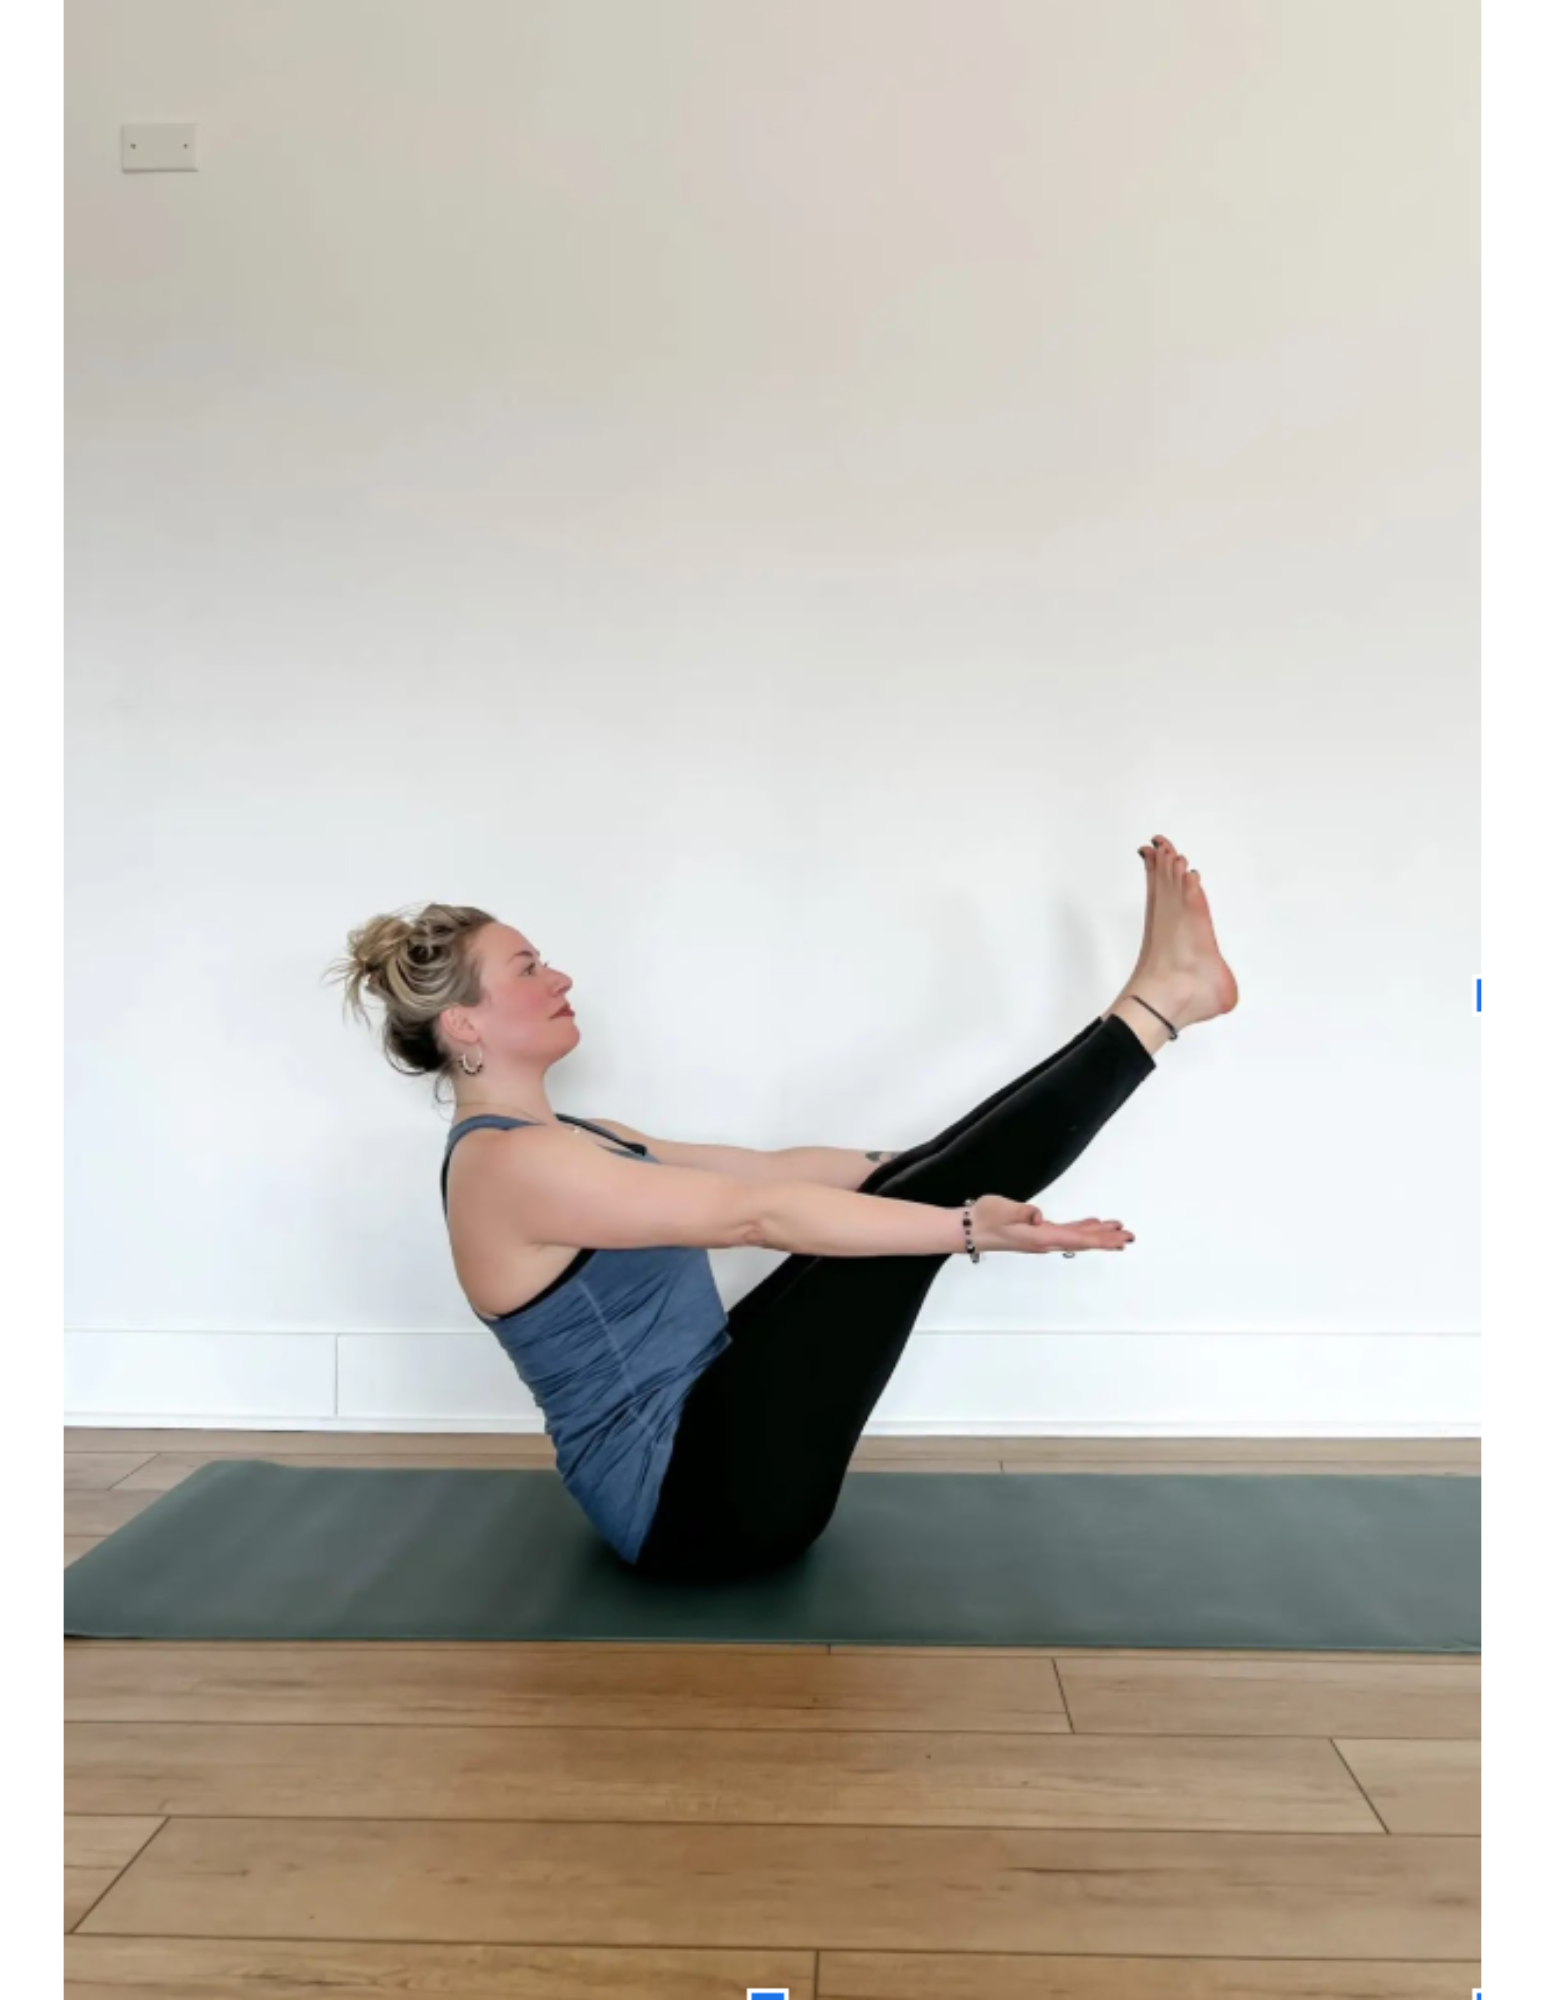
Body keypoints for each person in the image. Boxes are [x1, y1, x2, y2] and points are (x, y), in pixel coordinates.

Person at [331, 834, 1237, 1584]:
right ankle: (1162, 1002)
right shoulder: (508, 1169)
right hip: (691, 1506)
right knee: (909, 1208)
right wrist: (959, 1227)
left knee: (909, 1180)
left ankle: (1161, 998)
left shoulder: (575, 1134)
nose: (559, 976)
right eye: (527, 968)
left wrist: (927, 1168)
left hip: (712, 1448)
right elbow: (751, 1216)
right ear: (464, 1026)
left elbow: (770, 1170)